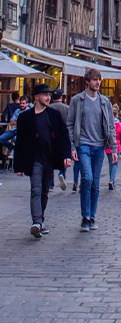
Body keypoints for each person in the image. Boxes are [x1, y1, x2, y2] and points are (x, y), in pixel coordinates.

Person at [14, 82, 71, 239]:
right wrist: (18, 165)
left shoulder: (53, 115)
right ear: (37, 97)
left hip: (50, 158)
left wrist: (66, 155)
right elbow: (21, 142)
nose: (48, 98)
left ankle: (41, 220)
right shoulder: (25, 117)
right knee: (36, 189)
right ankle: (37, 222)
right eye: (45, 95)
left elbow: (63, 135)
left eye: (49, 95)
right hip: (34, 158)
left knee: (45, 191)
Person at [67, 67, 117, 232]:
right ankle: (85, 216)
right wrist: (73, 146)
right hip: (83, 145)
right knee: (87, 179)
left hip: (99, 146)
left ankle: (91, 217)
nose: (98, 82)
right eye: (95, 79)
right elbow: (70, 124)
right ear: (87, 82)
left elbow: (110, 126)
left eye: (99, 79)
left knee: (95, 183)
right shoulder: (77, 100)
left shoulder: (105, 102)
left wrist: (114, 149)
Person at [49, 87, 70, 189]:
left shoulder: (48, 108)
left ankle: (50, 184)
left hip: (51, 136)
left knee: (50, 159)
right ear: (61, 97)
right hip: (63, 136)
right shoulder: (66, 108)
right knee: (64, 157)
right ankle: (62, 173)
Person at [105, 103, 121, 190]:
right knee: (115, 164)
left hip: (108, 146)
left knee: (110, 163)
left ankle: (112, 180)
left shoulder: (107, 124)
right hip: (116, 145)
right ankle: (112, 180)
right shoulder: (119, 125)